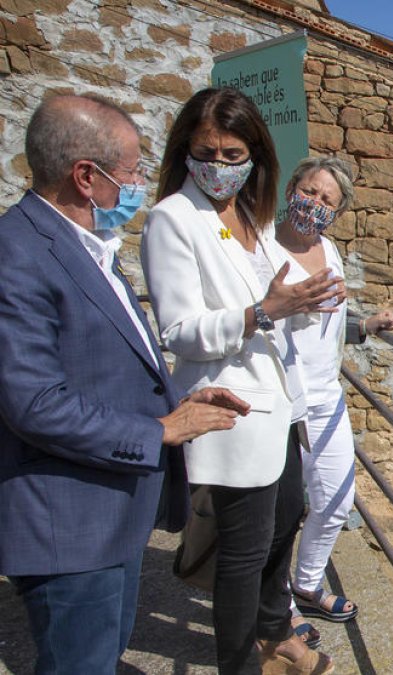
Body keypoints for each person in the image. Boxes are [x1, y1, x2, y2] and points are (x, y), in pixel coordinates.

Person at [0, 93, 250, 674]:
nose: (140, 181)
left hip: (111, 512)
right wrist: (161, 428)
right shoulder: (17, 255)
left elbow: (101, 362)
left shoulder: (86, 246)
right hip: (69, 525)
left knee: (101, 655)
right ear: (87, 177)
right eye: (134, 169)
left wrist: (178, 401)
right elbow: (33, 402)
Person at [141, 87, 340, 675]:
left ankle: (275, 633)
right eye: (210, 152)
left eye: (235, 154)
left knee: (287, 518)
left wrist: (306, 301)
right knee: (244, 555)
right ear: (186, 151)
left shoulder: (247, 215)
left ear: (255, 156)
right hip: (231, 409)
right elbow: (179, 328)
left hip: (277, 407)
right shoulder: (172, 219)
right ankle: (242, 664)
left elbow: (267, 301)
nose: (222, 166)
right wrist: (264, 313)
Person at [274, 157, 393, 647]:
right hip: (279, 398)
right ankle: (278, 607)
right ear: (291, 190)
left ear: (338, 211)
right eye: (308, 192)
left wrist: (363, 327)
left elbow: (326, 323)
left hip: (326, 395)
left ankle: (306, 582)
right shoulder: (261, 246)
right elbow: (257, 316)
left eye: (326, 200)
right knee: (281, 510)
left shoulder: (328, 249)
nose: (314, 204)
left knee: (336, 497)